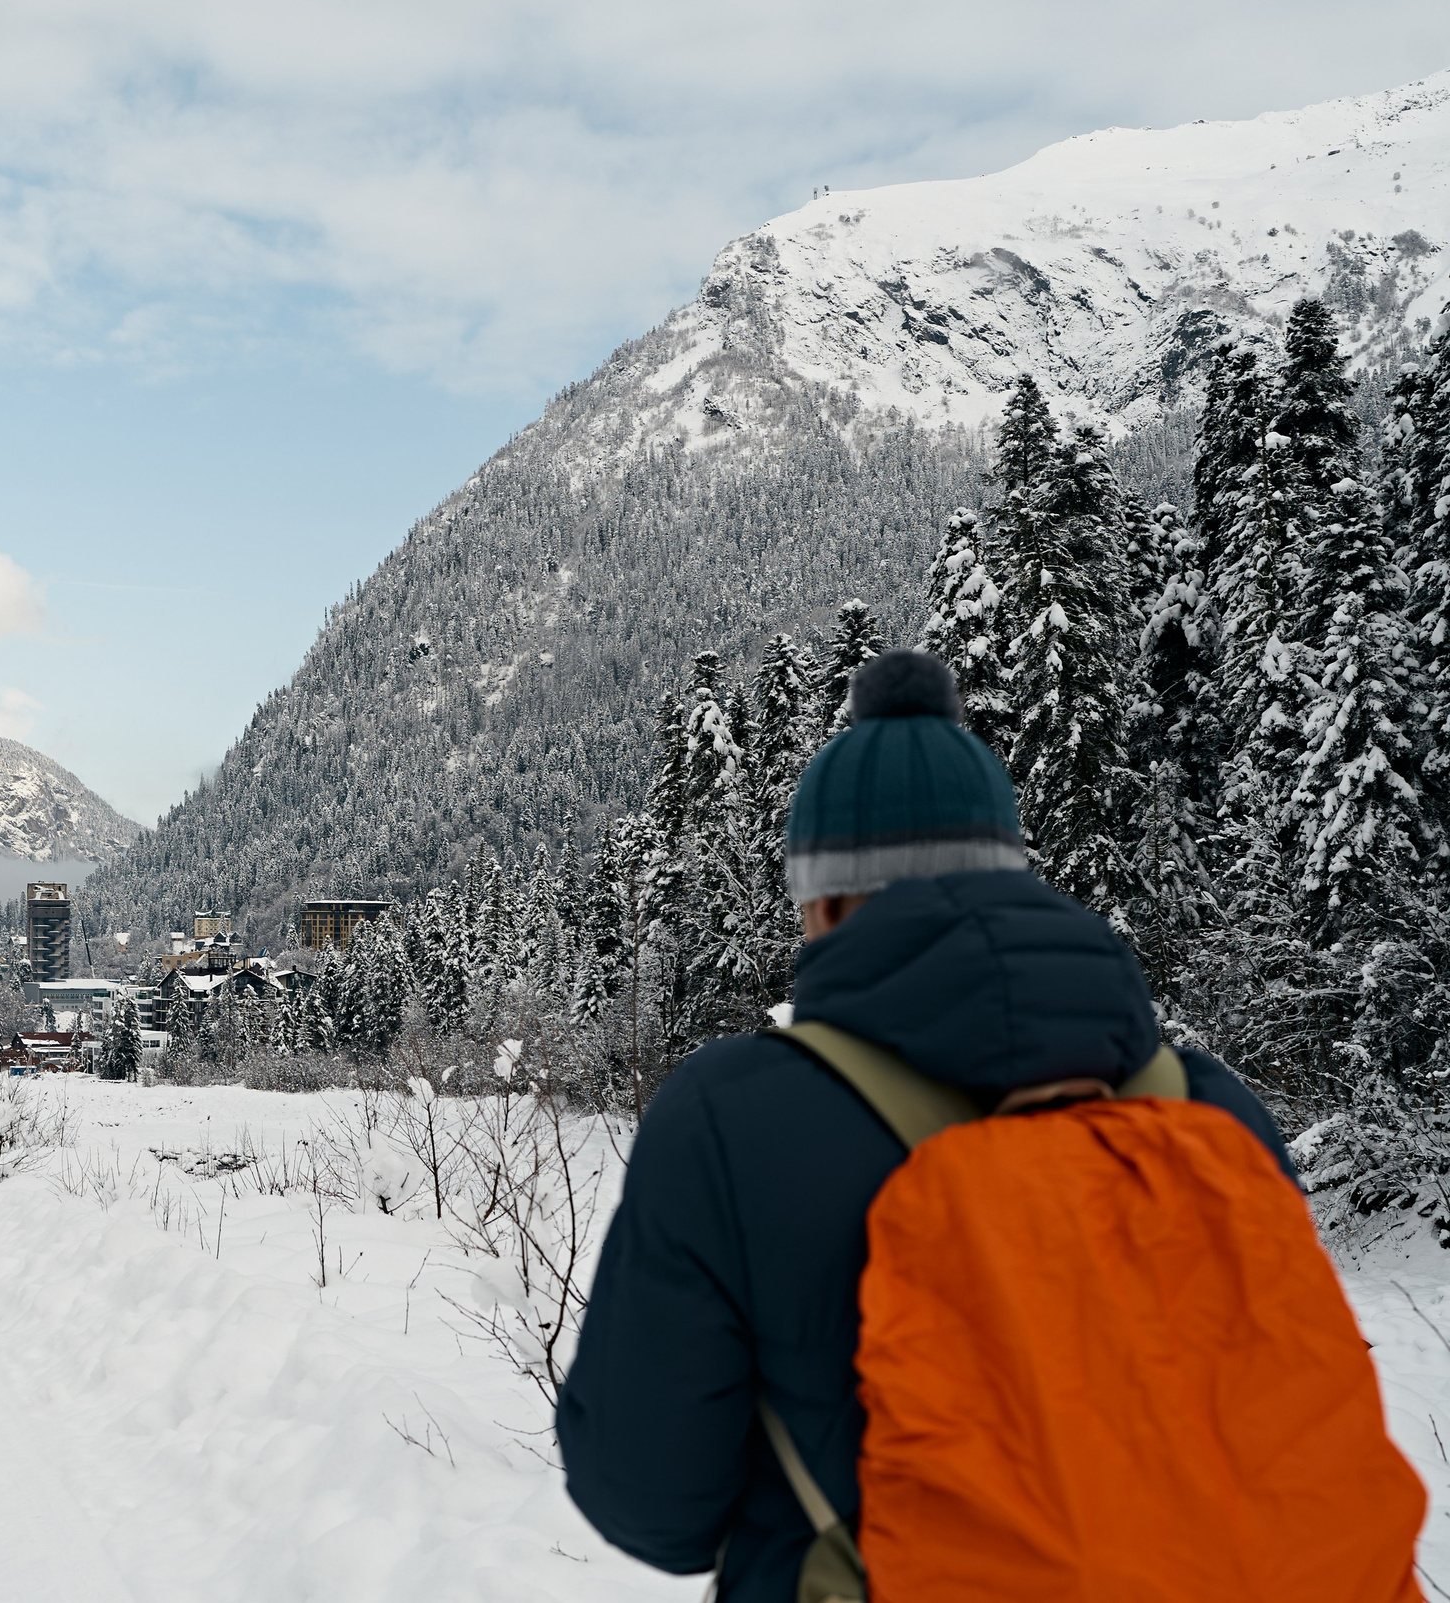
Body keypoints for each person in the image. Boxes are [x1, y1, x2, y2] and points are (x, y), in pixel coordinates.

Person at [553, 648, 1293, 1600]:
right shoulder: (1215, 1113)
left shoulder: (728, 1120)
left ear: (820, 899)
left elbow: (649, 1502)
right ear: (1012, 872)